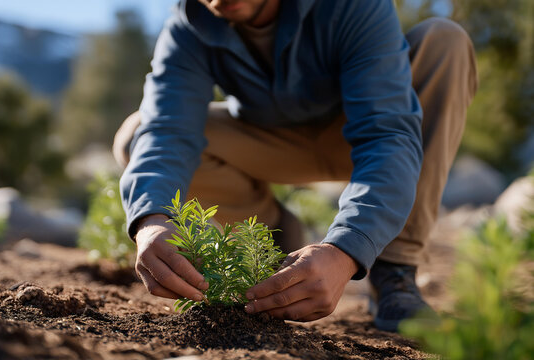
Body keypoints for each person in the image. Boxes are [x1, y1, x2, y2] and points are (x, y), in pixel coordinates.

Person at [113, 0, 477, 332]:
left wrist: (346, 250)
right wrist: (151, 222)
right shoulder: (188, 27)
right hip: (272, 144)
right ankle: (271, 236)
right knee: (137, 135)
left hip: (359, 134)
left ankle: (395, 269)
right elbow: (168, 132)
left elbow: (386, 135)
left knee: (444, 41)